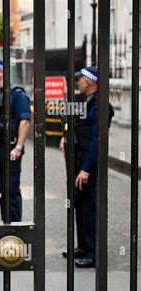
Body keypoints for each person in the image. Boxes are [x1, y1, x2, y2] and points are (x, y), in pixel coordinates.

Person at [60, 66, 114, 268]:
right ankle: (82, 246)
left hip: (88, 163)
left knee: (90, 208)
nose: (78, 82)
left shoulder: (101, 106)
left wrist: (86, 169)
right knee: (79, 204)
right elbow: (71, 123)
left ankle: (93, 253)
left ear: (90, 81)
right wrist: (65, 138)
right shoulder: (85, 102)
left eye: (80, 79)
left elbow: (97, 142)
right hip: (77, 160)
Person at [0, 59, 31, 222]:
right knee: (3, 190)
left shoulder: (16, 94)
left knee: (12, 190)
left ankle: (15, 228)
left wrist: (18, 147)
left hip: (10, 148)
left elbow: (25, 121)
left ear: (1, 72)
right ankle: (6, 223)